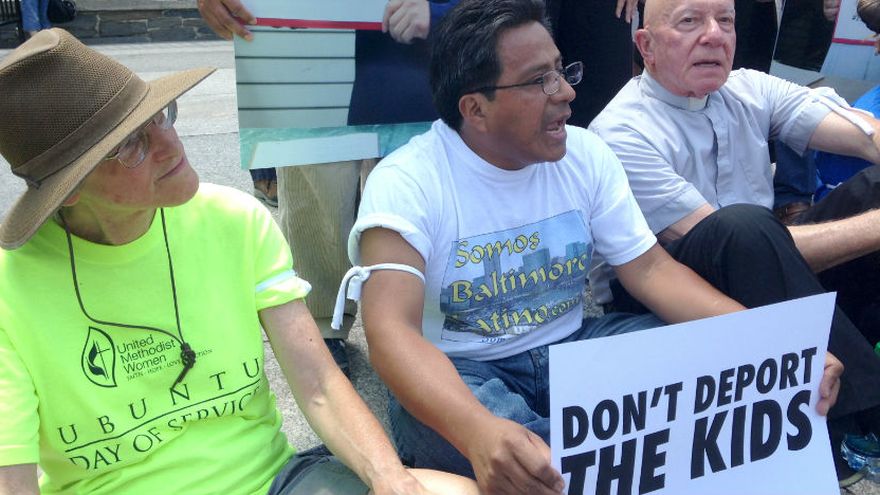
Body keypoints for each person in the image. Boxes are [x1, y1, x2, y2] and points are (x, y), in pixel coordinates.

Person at [333, 1, 843, 493]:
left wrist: (773, 345)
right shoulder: (408, 181)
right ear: (475, 109)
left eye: (561, 70)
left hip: (574, 347)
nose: (566, 93)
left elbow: (652, 272)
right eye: (539, 80)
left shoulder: (585, 154)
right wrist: (477, 432)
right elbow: (391, 333)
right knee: (517, 453)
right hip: (462, 369)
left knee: (712, 363)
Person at [0, 29, 480, 495]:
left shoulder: (232, 220)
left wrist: (390, 478)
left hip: (269, 479)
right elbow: (12, 479)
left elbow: (318, 382)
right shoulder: (11, 290)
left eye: (160, 115)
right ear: (69, 187)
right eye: (130, 145)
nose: (169, 144)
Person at [589, 0, 880, 477]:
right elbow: (734, 247)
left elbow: (864, 135)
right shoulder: (620, 132)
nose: (713, 35)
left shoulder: (749, 88)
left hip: (766, 265)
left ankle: (853, 389)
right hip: (669, 293)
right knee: (743, 226)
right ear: (646, 45)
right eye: (689, 21)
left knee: (873, 188)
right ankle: (863, 413)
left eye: (725, 20)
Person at [198, 0, 454, 375]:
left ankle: (427, 314)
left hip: (417, 44)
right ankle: (322, 323)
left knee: (415, 189)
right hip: (306, 35)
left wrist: (442, 10)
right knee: (317, 192)